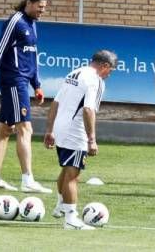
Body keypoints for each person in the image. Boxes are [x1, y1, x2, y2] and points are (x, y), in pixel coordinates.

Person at [0, 0, 51, 193]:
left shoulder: (33, 24)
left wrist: (37, 84)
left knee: (5, 130)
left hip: (23, 82)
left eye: (44, 8)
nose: (42, 11)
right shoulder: (15, 22)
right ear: (29, 2)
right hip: (13, 81)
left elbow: (33, 56)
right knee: (25, 129)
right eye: (40, 7)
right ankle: (28, 180)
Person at [44, 50, 117, 230]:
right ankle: (71, 218)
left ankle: (61, 204)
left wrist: (50, 130)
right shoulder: (96, 80)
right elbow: (88, 110)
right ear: (104, 66)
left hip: (61, 128)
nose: (110, 75)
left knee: (66, 169)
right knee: (73, 174)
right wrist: (91, 139)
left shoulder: (74, 73)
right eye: (111, 70)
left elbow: (55, 103)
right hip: (75, 132)